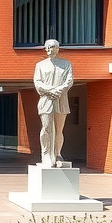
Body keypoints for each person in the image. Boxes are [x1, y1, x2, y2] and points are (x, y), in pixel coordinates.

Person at [33, 38, 73, 167]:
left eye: (53, 47)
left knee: (59, 129)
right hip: (46, 99)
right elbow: (38, 83)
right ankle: (45, 154)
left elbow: (69, 81)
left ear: (58, 48)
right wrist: (51, 90)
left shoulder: (66, 64)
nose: (50, 49)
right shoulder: (40, 65)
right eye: (48, 47)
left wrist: (58, 91)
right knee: (46, 127)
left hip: (61, 99)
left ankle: (57, 154)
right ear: (45, 49)